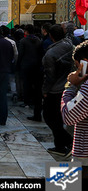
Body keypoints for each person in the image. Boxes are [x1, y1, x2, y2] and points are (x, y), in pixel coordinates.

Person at [41, 24, 75, 157]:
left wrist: (45, 90)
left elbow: (50, 76)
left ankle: (70, 143)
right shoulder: (68, 44)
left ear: (50, 36)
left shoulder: (51, 53)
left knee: (49, 117)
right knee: (57, 118)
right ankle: (60, 146)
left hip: (55, 90)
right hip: (67, 86)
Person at [61, 41, 88, 165]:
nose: (78, 70)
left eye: (78, 67)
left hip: (84, 154)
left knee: (63, 183)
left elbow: (68, 117)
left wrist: (70, 85)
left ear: (84, 62)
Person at [16, 24, 44, 121]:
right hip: (36, 66)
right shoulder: (38, 40)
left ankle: (26, 101)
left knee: (26, 84)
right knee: (35, 85)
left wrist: (18, 65)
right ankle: (33, 100)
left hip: (26, 66)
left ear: (26, 31)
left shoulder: (23, 41)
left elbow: (20, 54)